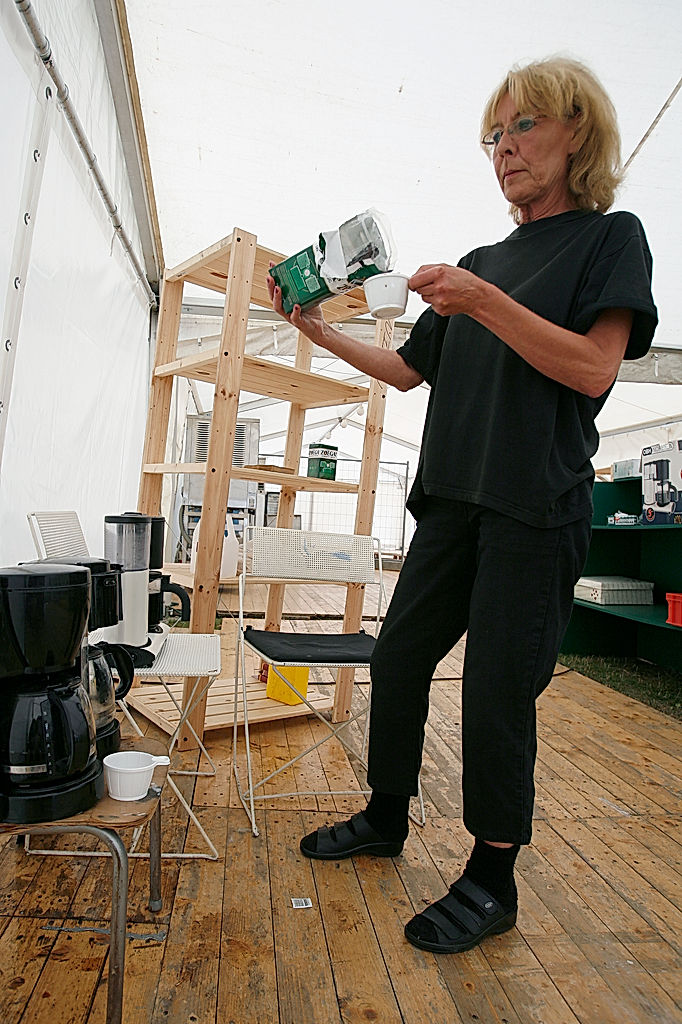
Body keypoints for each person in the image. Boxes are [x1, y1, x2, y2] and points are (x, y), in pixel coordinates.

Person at [266, 56, 657, 955]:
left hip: (535, 507)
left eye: (524, 126)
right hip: (449, 502)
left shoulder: (610, 240)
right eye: (494, 135)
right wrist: (318, 329)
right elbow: (408, 370)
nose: (505, 148)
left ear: (578, 132)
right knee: (398, 657)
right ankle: (386, 814)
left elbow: (594, 367)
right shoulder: (480, 262)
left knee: (495, 692)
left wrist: (483, 302)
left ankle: (491, 877)